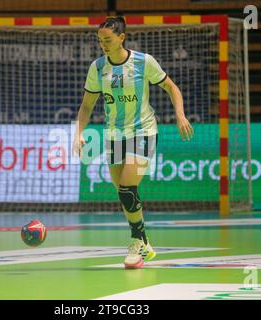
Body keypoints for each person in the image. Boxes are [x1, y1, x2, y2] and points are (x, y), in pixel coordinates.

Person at [72, 16, 194, 269]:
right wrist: (78, 132)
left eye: (108, 39)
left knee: (128, 188)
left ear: (121, 38)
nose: (103, 44)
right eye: (100, 40)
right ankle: (145, 242)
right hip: (114, 135)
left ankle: (136, 243)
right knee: (124, 195)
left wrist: (180, 115)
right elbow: (86, 105)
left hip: (143, 132)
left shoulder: (143, 61)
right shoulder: (97, 68)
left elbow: (172, 88)